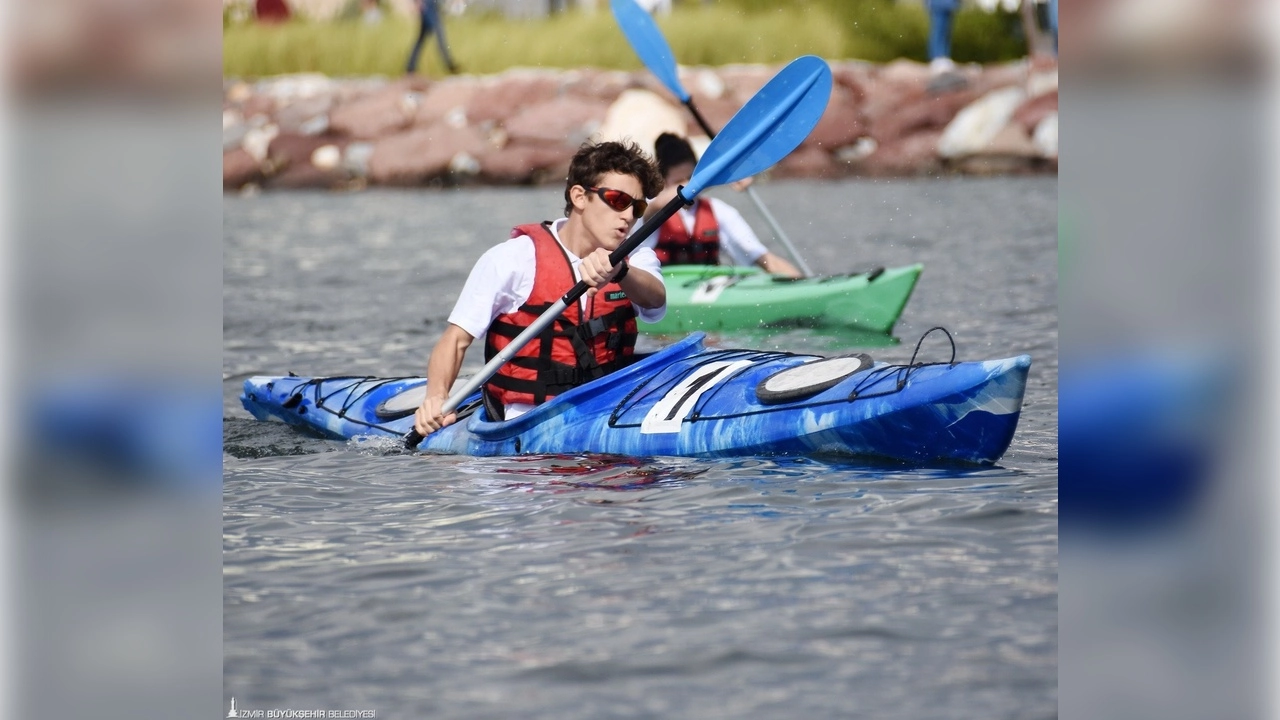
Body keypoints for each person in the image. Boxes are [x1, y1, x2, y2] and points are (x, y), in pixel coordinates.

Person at [413, 140, 666, 435]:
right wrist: (436, 398)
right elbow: (455, 341)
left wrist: (621, 271)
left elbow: (655, 302)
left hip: (605, 415)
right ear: (580, 197)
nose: (628, 216)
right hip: (525, 423)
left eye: (638, 207)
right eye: (618, 200)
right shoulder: (514, 259)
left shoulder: (635, 257)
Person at [641, 133, 802, 279]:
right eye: (678, 182)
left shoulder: (720, 212)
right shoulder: (649, 212)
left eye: (691, 177)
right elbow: (658, 204)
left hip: (709, 291)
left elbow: (763, 258)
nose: (688, 186)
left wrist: (803, 284)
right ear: (663, 182)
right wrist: (726, 177)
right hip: (664, 291)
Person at [406, 0, 458, 76]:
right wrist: (417, 3)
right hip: (427, 6)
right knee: (439, 34)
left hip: (431, 5)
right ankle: (449, 64)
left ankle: (410, 67)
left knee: (421, 39)